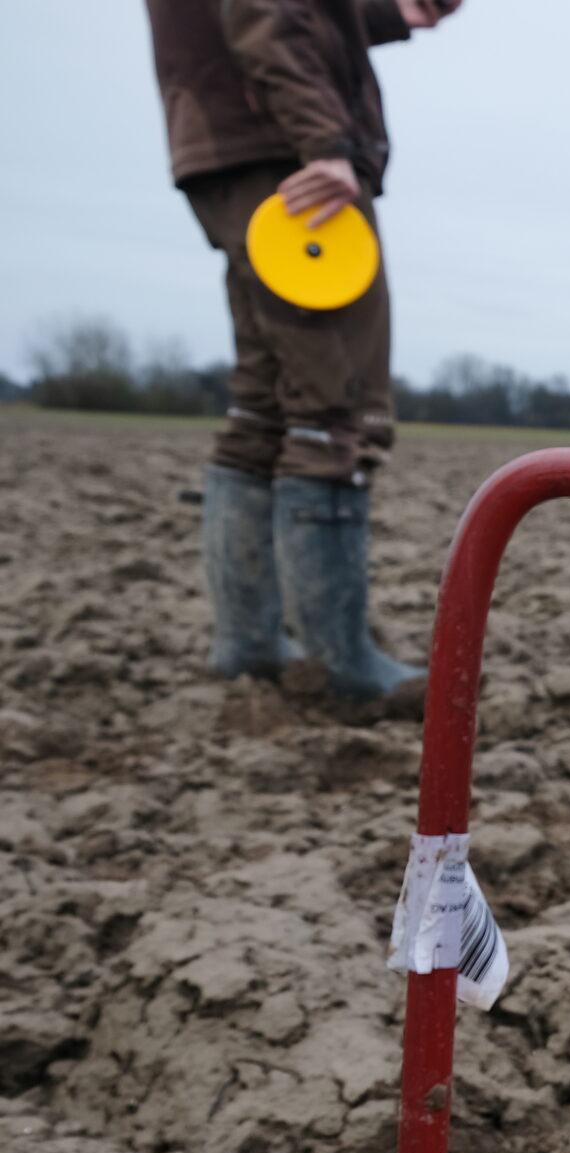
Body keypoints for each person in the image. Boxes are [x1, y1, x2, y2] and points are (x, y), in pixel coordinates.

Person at [144, 0, 463, 702]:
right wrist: (325, 142)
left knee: (265, 410)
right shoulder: (298, 131)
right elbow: (268, 8)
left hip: (227, 137)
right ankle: (341, 665)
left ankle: (251, 646)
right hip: (287, 153)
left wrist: (385, 13)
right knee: (334, 407)